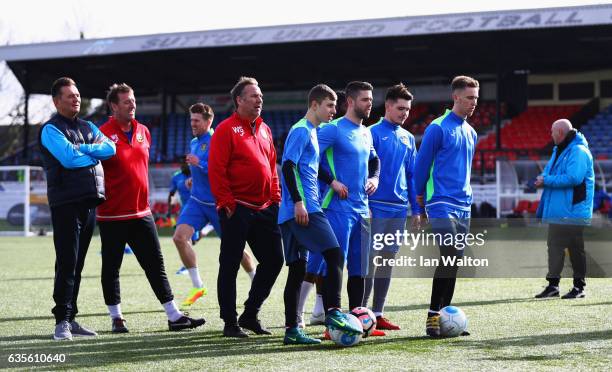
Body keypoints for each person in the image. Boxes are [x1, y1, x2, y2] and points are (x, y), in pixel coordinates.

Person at [97, 83, 205, 333]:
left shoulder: (144, 131)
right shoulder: (101, 134)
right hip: (112, 214)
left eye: (133, 100)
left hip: (142, 213)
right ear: (114, 106)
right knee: (111, 267)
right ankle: (116, 317)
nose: (132, 104)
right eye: (126, 101)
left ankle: (174, 316)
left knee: (155, 265)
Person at [279, 84, 363, 345]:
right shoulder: (302, 130)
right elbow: (288, 166)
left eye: (335, 106)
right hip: (305, 208)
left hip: (291, 211)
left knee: (297, 270)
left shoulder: (314, 133)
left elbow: (309, 169)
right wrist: (299, 202)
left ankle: (292, 330)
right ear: (314, 104)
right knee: (335, 254)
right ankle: (334, 313)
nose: (333, 111)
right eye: (329, 105)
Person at [39, 77, 116, 341]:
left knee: (79, 264)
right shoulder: (50, 129)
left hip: (88, 202)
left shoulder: (89, 126)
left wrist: (83, 148)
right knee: (67, 263)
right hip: (65, 204)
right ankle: (61, 321)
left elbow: (110, 148)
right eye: (70, 95)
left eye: (78, 94)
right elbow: (69, 160)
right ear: (56, 101)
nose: (76, 99)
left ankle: (71, 319)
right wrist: (92, 153)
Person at [208, 77, 284, 338]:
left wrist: (275, 197)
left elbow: (272, 165)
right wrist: (226, 203)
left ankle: (250, 313)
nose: (259, 99)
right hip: (237, 207)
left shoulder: (264, 129)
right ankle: (230, 322)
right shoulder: (225, 129)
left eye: (260, 95)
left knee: (274, 259)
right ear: (239, 100)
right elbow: (216, 170)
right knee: (229, 264)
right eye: (253, 95)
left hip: (265, 207)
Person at [172, 103, 256, 307]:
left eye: (196, 120)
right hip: (196, 202)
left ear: (209, 121)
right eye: (191, 119)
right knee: (179, 238)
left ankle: (256, 280)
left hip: (219, 204)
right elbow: (200, 169)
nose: (192, 123)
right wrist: (194, 177)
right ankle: (198, 285)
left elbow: (224, 169)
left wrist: (199, 164)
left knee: (236, 249)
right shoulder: (194, 142)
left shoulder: (218, 139)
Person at [414, 75, 479, 338]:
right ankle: (432, 315)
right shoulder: (437, 128)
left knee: (453, 260)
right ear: (456, 97)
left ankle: (445, 315)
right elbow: (420, 167)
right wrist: (418, 203)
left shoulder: (472, 132)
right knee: (449, 250)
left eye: (476, 98)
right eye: (469, 98)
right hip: (440, 201)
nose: (474, 102)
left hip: (465, 205)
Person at [315, 81, 380, 313]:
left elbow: (374, 160)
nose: (370, 104)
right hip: (337, 208)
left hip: (362, 210)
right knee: (335, 265)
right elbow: (311, 158)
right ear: (350, 102)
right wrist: (331, 181)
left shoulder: (366, 132)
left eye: (371, 100)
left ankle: (357, 315)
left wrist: (375, 179)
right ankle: (332, 317)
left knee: (359, 268)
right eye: (365, 100)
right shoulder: (333, 129)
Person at [363, 83, 422, 331]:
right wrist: (365, 205)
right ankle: (359, 311)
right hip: (374, 206)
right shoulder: (370, 132)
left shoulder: (408, 138)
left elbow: (412, 176)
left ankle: (378, 312)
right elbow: (362, 171)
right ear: (387, 106)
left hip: (398, 208)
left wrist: (417, 210)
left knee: (388, 260)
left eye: (407, 110)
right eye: (400, 108)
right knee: (368, 261)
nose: (404, 113)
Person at [296, 89, 348, 328]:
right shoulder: (327, 130)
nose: (334, 110)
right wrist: (332, 182)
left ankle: (318, 311)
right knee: (316, 259)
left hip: (326, 202)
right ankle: (298, 313)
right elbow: (305, 164)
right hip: (319, 202)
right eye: (331, 105)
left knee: (330, 259)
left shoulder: (345, 129)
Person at [534, 119, 594, 299]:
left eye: (552, 132)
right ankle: (553, 286)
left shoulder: (579, 151)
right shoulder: (559, 150)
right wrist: (542, 179)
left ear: (560, 133)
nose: (550, 135)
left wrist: (547, 180)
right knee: (554, 247)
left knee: (575, 249)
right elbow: (548, 173)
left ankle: (579, 288)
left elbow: (574, 178)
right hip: (559, 211)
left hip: (573, 211)